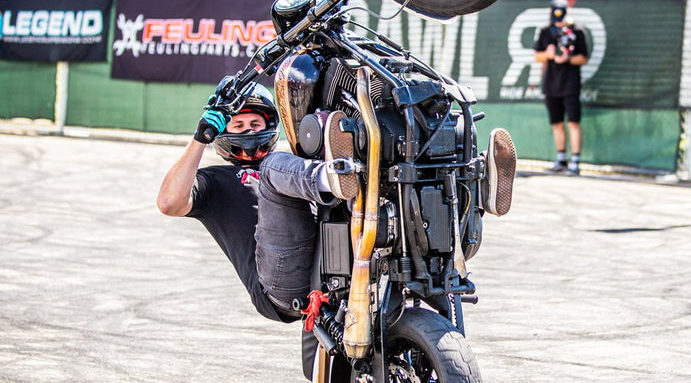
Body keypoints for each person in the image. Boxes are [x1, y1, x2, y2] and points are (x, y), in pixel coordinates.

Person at [157, 79, 516, 323]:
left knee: (378, 170)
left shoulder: (289, 161)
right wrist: (200, 138)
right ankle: (332, 175)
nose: (249, 131)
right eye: (239, 126)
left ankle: (473, 188)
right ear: (223, 134)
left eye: (255, 124)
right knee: (277, 170)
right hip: (282, 285)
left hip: (331, 263)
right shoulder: (215, 181)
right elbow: (170, 202)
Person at [533, 0, 589, 175]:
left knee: (573, 122)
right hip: (551, 84)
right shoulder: (544, 31)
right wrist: (549, 55)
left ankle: (575, 160)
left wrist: (568, 58)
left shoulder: (577, 31)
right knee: (557, 123)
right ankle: (561, 159)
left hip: (571, 85)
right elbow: (537, 56)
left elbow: (583, 57)